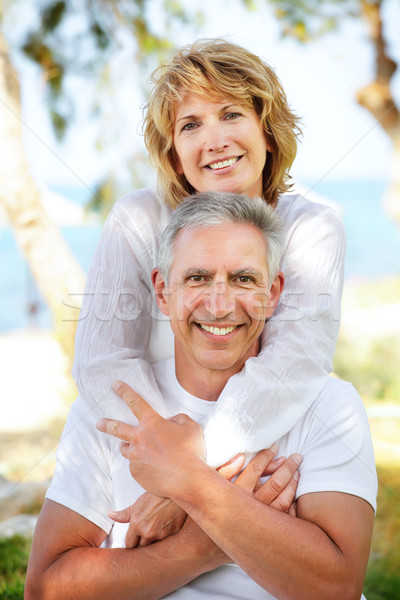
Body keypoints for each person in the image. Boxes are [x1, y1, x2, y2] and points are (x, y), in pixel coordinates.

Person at [26, 192, 377, 600]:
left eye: (244, 279)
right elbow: (44, 589)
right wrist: (201, 547)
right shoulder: (109, 408)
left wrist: (190, 484)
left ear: (273, 292)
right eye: (197, 278)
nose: (220, 304)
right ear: (161, 290)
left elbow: (337, 587)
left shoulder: (330, 405)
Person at [71, 38, 346, 475]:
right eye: (191, 125)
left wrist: (192, 466)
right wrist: (168, 461)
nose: (214, 140)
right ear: (175, 157)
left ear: (268, 134)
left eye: (232, 114)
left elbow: (293, 364)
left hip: (262, 453)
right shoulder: (137, 220)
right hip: (146, 459)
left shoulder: (310, 230)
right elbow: (102, 363)